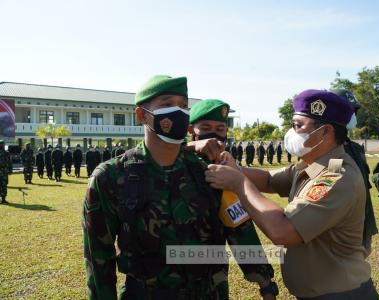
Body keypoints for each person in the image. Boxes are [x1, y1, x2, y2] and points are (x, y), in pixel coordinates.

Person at [83, 75, 277, 299]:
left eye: (184, 106)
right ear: (141, 115)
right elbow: (98, 257)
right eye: (167, 105)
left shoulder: (210, 172)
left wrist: (265, 282)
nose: (178, 112)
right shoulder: (111, 177)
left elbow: (239, 229)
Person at [205, 89, 379, 299]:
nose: (291, 132)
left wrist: (238, 183)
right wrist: (235, 169)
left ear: (324, 132)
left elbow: (283, 231)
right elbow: (269, 180)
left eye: (298, 126)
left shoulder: (336, 176)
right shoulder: (315, 163)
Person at [186, 98, 277, 297]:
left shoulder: (223, 172)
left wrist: (265, 282)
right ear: (191, 130)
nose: (214, 134)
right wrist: (189, 148)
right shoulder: (172, 164)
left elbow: (241, 229)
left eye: (220, 128)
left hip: (209, 285)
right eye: (206, 127)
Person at [331, 89, 378, 253]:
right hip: (344, 231)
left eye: (355, 111)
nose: (354, 115)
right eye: (351, 111)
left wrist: (369, 227)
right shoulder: (333, 152)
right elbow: (331, 190)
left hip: (364, 223)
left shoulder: (356, 149)